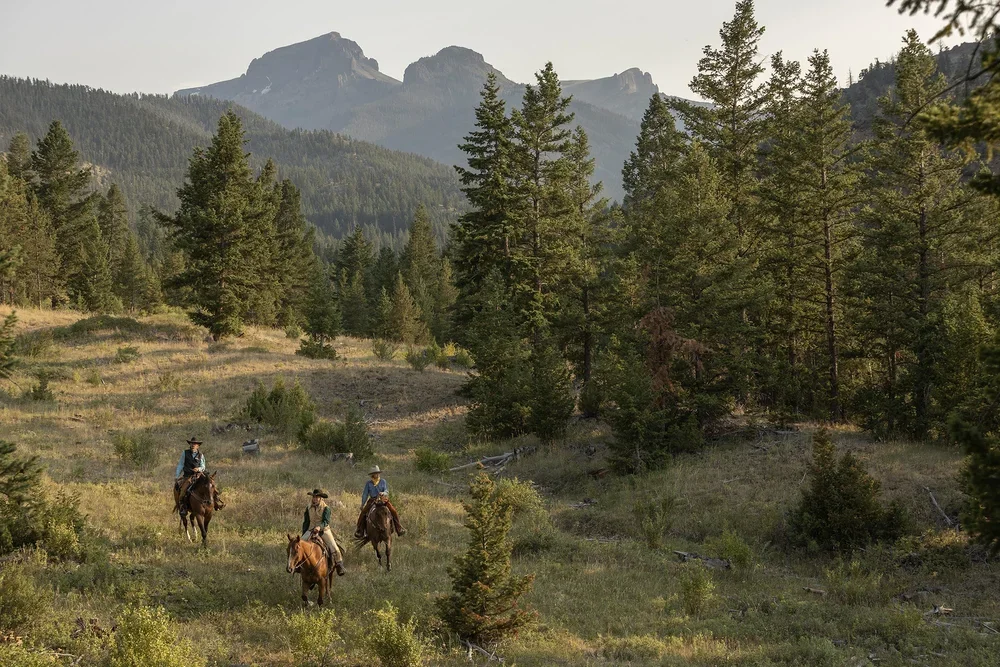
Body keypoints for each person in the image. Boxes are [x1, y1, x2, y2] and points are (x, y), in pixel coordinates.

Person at [173, 437, 223, 515]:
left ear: (198, 446)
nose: (193, 445)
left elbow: (203, 466)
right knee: (183, 490)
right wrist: (177, 476)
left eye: (195, 444)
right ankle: (183, 507)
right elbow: (180, 465)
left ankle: (216, 503)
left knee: (211, 486)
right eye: (192, 443)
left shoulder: (201, 455)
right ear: (190, 444)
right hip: (188, 476)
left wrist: (199, 469)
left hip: (199, 475)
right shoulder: (185, 453)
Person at [302, 489, 346, 576]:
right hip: (311, 529)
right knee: (299, 545)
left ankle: (339, 564)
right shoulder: (308, 508)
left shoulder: (326, 508)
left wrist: (319, 527)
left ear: (321, 498)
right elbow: (306, 522)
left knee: (333, 546)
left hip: (324, 530)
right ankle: (299, 566)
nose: (314, 499)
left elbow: (326, 521)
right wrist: (303, 533)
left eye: (317, 497)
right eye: (314, 497)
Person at [355, 465, 406, 538]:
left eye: (377, 473)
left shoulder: (383, 481)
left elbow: (386, 491)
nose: (376, 474)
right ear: (372, 474)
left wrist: (383, 493)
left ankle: (399, 528)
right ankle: (360, 530)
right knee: (363, 512)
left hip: (383, 499)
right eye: (375, 473)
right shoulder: (368, 483)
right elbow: (365, 494)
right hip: (373, 500)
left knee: (393, 511)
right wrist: (362, 504)